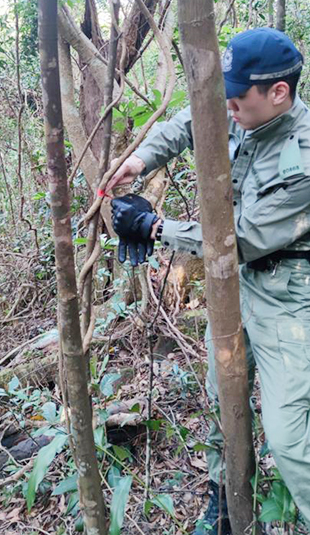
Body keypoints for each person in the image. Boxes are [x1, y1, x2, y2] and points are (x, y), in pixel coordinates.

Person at [109, 28, 310, 534]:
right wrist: (140, 159)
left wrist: (155, 228)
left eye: (237, 98)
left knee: (289, 438)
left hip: (289, 299)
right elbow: (191, 120)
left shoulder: (304, 158)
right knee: (224, 401)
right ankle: (225, 502)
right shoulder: (245, 106)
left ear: (278, 93)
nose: (229, 107)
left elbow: (240, 238)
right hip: (232, 287)